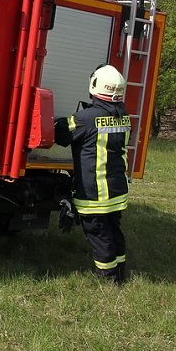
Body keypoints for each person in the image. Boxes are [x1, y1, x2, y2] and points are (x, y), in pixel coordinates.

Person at [54, 64, 131, 284]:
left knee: (100, 236)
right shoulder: (124, 117)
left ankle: (108, 280)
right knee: (114, 232)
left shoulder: (85, 118)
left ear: (95, 85)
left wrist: (57, 121)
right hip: (116, 192)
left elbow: (62, 134)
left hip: (95, 194)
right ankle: (120, 273)